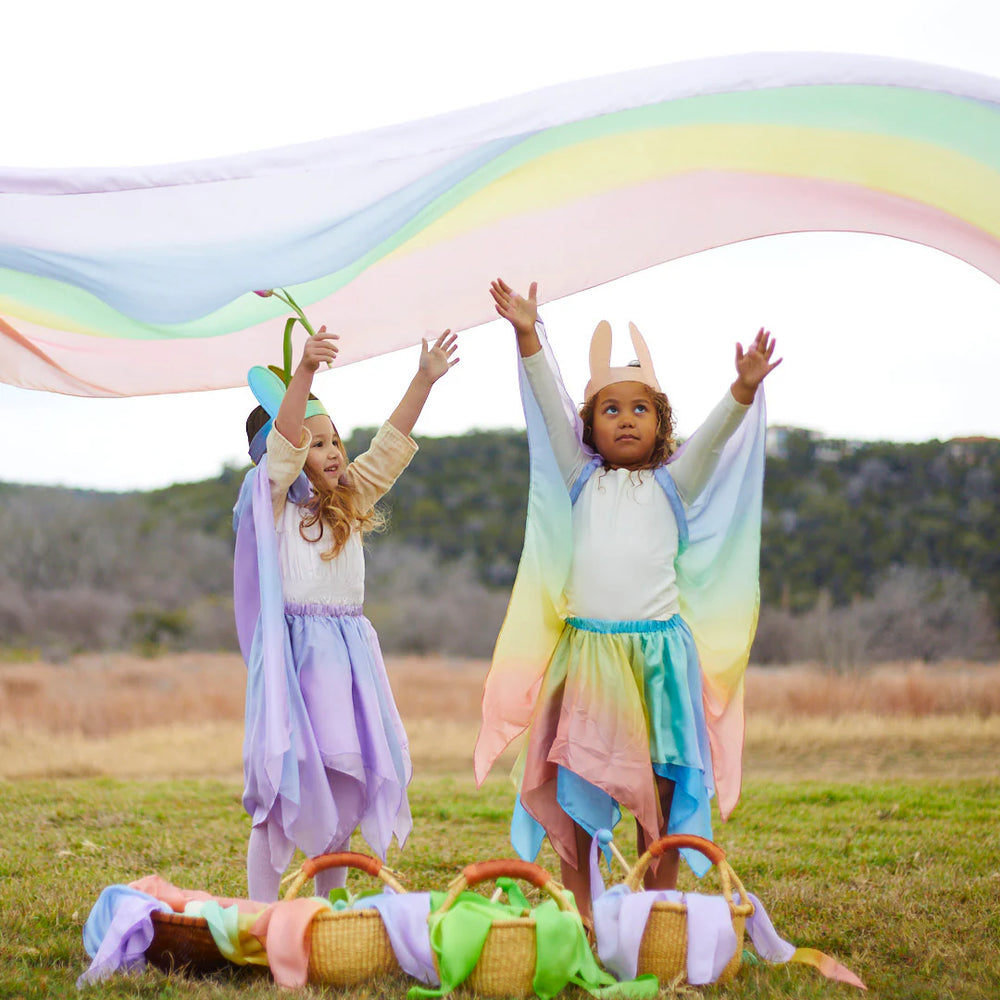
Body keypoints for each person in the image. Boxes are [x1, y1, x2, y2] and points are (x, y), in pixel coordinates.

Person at [474, 279, 779, 922]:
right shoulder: (579, 479)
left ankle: (655, 907)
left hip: (659, 659)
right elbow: (549, 408)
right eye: (610, 409)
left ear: (661, 422)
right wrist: (529, 335)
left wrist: (743, 390)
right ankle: (583, 912)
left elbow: (716, 440)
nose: (626, 418)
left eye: (640, 408)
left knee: (660, 796)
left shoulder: (675, 485)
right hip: (588, 656)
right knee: (577, 785)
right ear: (591, 426)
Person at [234, 325, 459, 902]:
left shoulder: (348, 500)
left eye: (334, 439)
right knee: (282, 792)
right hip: (297, 663)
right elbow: (283, 452)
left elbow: (388, 447)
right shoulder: (273, 501)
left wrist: (424, 380)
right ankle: (263, 916)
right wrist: (303, 371)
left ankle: (327, 910)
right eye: (317, 443)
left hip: (349, 660)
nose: (333, 451)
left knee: (340, 789)